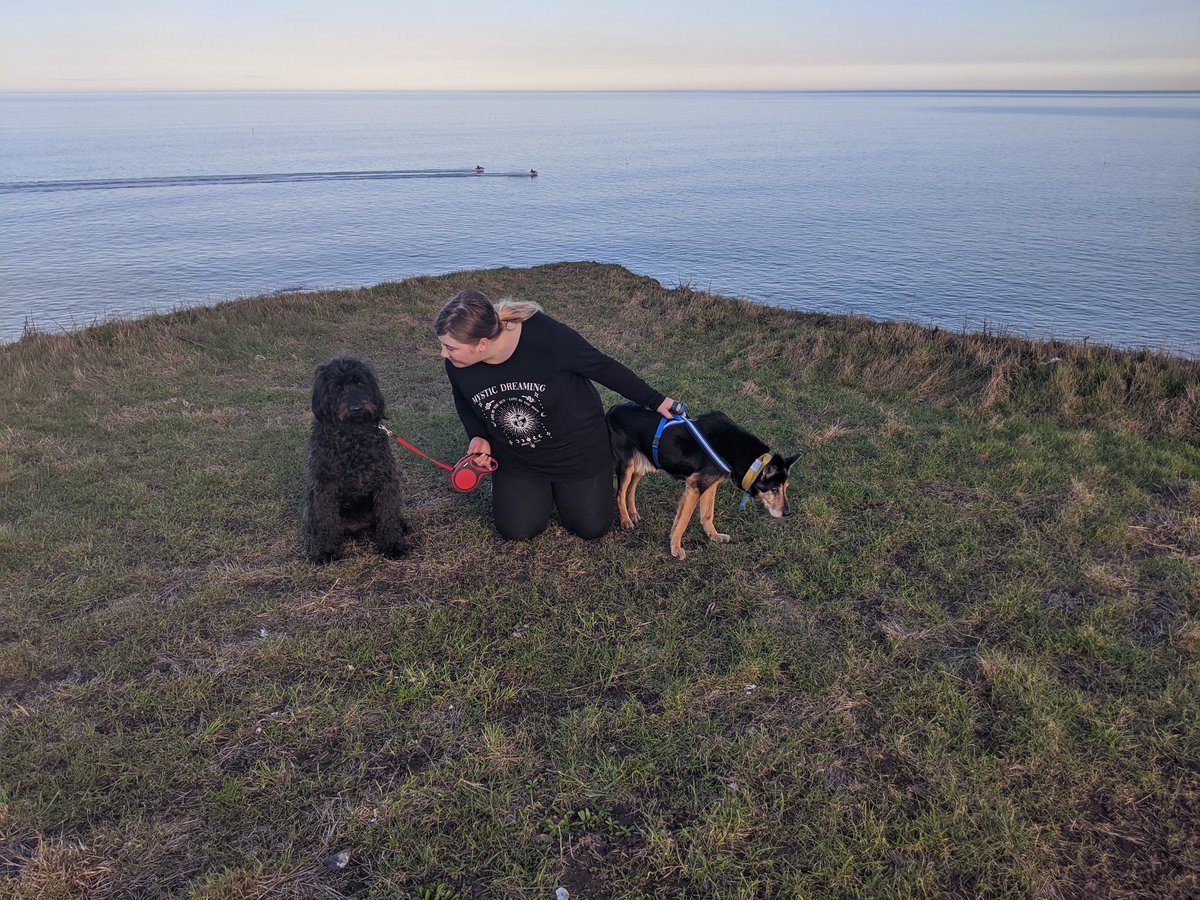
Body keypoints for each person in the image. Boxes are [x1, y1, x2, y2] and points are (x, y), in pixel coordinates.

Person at [435, 289, 681, 541]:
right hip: (518, 458)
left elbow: (602, 367)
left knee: (591, 527)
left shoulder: (548, 337)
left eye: (450, 347)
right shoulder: (457, 364)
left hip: (577, 451)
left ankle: (570, 490)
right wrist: (477, 434)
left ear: (482, 344)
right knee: (517, 530)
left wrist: (656, 401)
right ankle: (540, 492)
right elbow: (462, 398)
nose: (443, 353)